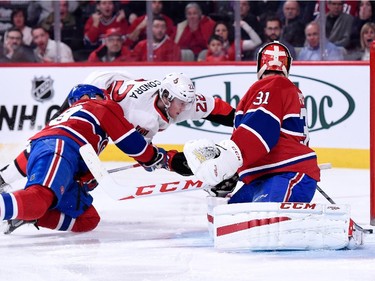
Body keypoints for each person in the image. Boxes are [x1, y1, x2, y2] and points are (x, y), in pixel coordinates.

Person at [0, 71, 235, 194]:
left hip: (118, 81)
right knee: (64, 144)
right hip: (97, 90)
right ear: (166, 97)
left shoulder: (181, 100)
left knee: (80, 168)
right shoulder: (140, 115)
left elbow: (219, 110)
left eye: (187, 102)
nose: (185, 108)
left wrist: (244, 123)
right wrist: (166, 161)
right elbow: (138, 150)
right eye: (181, 103)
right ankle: (12, 177)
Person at [0, 84, 170, 234]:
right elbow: (130, 142)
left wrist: (87, 177)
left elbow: (27, 159)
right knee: (38, 199)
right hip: (61, 149)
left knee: (88, 220)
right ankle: (25, 207)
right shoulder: (99, 105)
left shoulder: (66, 121)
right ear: (88, 96)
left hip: (58, 152)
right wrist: (154, 157)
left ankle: (26, 214)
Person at [184, 41, 320, 205]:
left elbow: (261, 128)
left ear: (260, 65)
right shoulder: (282, 89)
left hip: (285, 174)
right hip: (265, 176)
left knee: (264, 221)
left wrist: (228, 161)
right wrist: (232, 173)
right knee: (229, 216)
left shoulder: (274, 86)